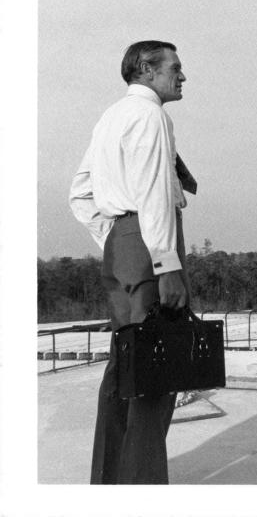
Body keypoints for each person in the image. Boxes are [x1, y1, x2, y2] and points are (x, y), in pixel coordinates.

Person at [69, 40, 196, 484]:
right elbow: (152, 191)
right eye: (174, 68)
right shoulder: (150, 115)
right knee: (155, 374)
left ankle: (109, 487)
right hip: (149, 246)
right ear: (146, 69)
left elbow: (81, 192)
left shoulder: (111, 117)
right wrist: (165, 263)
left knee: (125, 368)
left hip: (123, 245)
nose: (182, 76)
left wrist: (114, 237)